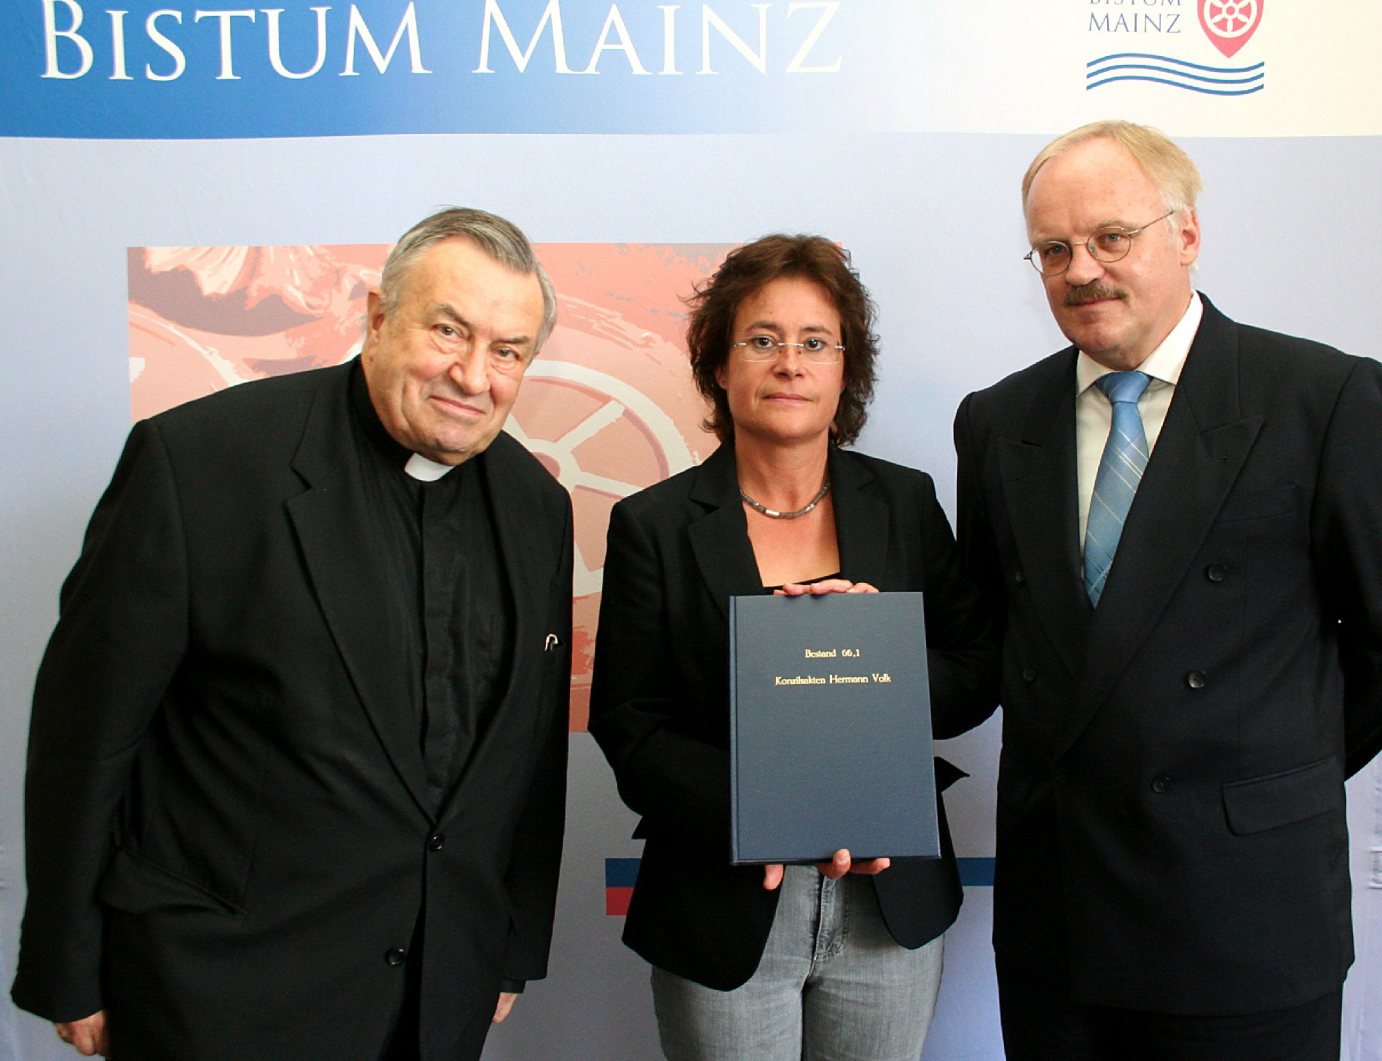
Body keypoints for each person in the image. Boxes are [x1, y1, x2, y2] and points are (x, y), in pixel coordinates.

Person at [11, 207, 574, 1060]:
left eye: (508, 351)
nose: (473, 375)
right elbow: (85, 740)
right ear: (379, 319)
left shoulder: (539, 507)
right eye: (449, 331)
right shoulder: (198, 462)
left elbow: (530, 751)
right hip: (221, 988)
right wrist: (68, 962)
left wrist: (509, 945)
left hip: (436, 989)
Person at [954, 120, 1382, 1059]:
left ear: (1185, 234)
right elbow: (987, 644)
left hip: (1245, 916)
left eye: (1112, 237)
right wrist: (854, 646)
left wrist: (1263, 770)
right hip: (1057, 925)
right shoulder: (996, 421)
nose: (1080, 271)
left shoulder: (1325, 397)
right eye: (1054, 248)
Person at [590, 234, 996, 1060]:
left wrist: (879, 655)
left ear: (846, 370)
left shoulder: (906, 502)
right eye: (763, 340)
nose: (790, 363)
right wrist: (761, 813)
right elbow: (630, 725)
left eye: (815, 342)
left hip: (891, 904)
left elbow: (976, 671)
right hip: (721, 898)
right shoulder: (653, 525)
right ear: (718, 365)